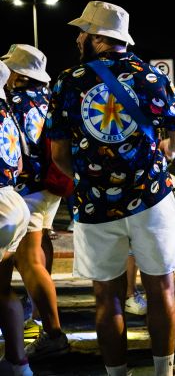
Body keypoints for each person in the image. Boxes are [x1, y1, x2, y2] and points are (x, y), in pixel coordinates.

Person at [47, 0, 175, 376]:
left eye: (83, 32)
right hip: (150, 198)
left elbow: (59, 153)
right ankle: (164, 371)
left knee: (106, 296)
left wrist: (87, 178)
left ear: (95, 38)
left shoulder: (67, 81)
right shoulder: (153, 76)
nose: (78, 38)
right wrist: (160, 160)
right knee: (161, 290)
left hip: (94, 205)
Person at [3, 45, 69, 359]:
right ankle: (41, 320)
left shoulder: (12, 102)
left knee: (27, 261)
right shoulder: (48, 100)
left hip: (26, 189)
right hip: (51, 186)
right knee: (37, 256)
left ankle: (52, 331)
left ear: (16, 73)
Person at [0, 59, 34, 376]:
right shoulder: (7, 111)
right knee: (3, 290)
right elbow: (20, 163)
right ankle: (17, 363)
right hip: (13, 198)